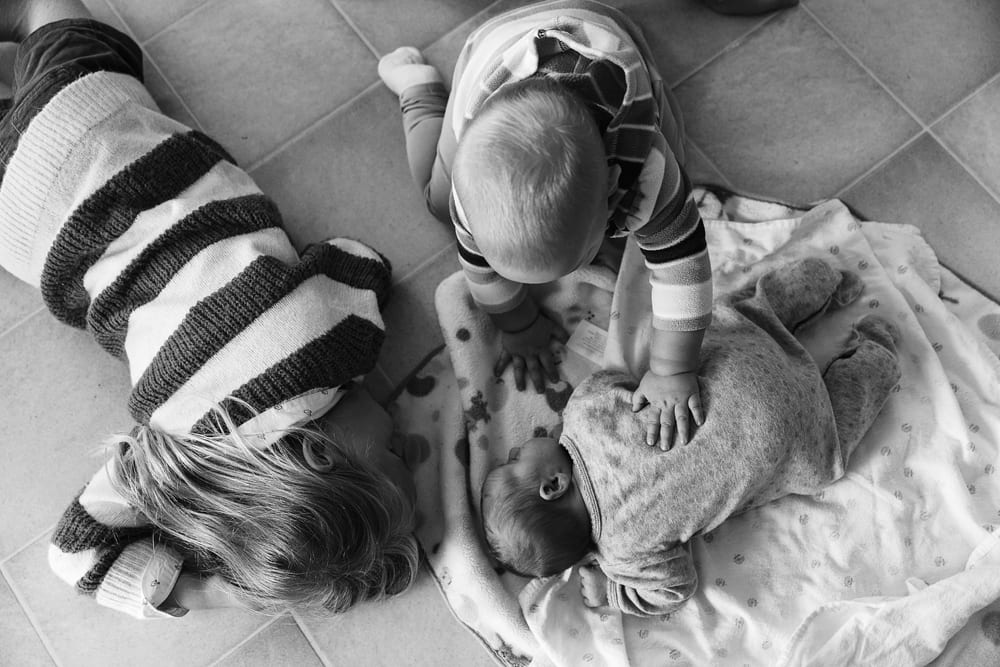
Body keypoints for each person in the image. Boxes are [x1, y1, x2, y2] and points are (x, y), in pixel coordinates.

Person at [0, 0, 417, 618]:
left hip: (89, 140)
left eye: (395, 455)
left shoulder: (335, 337)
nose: (409, 443)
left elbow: (357, 259)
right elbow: (73, 555)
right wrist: (215, 591)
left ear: (323, 453)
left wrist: (369, 296)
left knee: (47, 17)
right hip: (25, 233)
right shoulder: (180, 457)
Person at [480, 258, 902, 617]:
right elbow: (616, 378)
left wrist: (614, 593)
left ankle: (877, 356)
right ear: (553, 484)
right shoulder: (584, 415)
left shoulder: (626, 556)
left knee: (830, 450)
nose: (515, 447)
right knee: (748, 311)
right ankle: (823, 278)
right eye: (513, 461)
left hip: (788, 434)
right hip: (739, 359)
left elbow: (675, 589)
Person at [379, 0, 712, 450]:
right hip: (494, 55)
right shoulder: (468, 192)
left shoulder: (645, 165)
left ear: (616, 186)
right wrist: (517, 324)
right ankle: (417, 92)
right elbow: (479, 270)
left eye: (579, 258)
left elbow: (684, 268)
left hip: (604, 34)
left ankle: (654, 94)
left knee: (675, 158)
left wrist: (672, 369)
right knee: (436, 201)